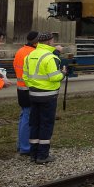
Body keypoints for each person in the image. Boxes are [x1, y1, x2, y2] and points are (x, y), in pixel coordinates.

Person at [23, 32, 66, 164]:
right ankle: (43, 155)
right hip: (48, 96)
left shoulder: (30, 55)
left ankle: (33, 153)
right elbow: (54, 77)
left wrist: (34, 86)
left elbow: (25, 77)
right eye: (52, 40)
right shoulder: (50, 57)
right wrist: (63, 74)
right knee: (46, 124)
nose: (53, 42)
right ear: (49, 41)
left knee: (34, 123)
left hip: (33, 95)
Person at [13, 31, 39, 156]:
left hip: (21, 89)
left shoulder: (20, 51)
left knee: (24, 116)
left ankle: (20, 144)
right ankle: (25, 147)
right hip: (29, 89)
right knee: (28, 117)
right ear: (35, 42)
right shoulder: (32, 53)